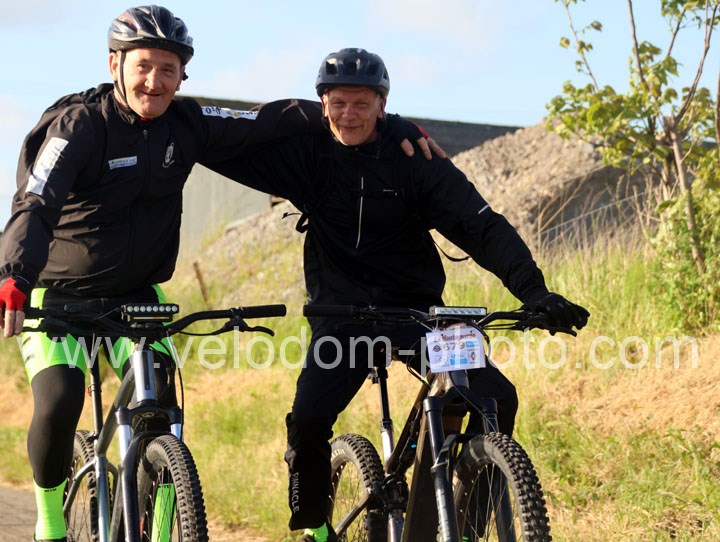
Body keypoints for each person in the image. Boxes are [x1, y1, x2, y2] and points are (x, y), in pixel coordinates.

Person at [0, 7, 434, 540]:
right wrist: (15, 274)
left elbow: (270, 120)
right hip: (55, 294)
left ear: (183, 74)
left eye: (168, 69)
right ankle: (49, 522)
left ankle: (162, 524)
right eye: (143, 66)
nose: (154, 81)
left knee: (162, 406)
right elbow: (36, 201)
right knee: (61, 399)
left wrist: (389, 125)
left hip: (136, 295)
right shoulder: (79, 126)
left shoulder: (187, 123)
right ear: (115, 64)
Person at [209, 48, 590, 541]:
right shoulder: (307, 157)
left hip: (418, 315)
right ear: (323, 104)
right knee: (308, 419)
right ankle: (315, 528)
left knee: (496, 396)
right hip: (341, 318)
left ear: (382, 105)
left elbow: (480, 226)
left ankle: (466, 520)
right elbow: (223, 144)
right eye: (338, 103)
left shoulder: (416, 159)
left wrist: (535, 291)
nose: (349, 114)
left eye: (361, 103)